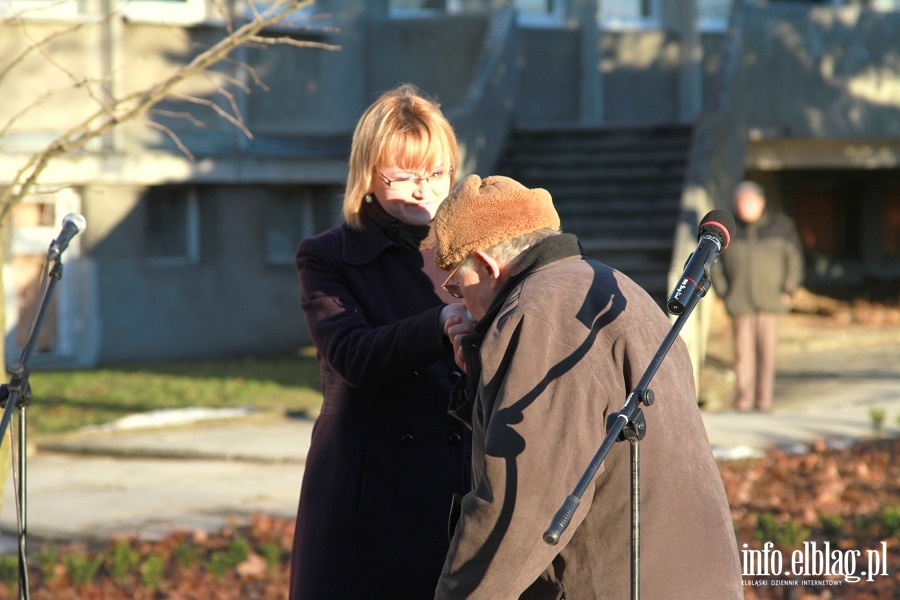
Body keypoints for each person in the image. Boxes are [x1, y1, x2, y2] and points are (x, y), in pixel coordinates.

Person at [432, 174, 743, 599]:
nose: (456, 300)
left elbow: (519, 509)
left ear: (488, 266)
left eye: (455, 283)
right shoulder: (616, 289)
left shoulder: (538, 316)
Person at [289, 84, 473, 599]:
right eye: (404, 176)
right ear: (368, 175)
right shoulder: (328, 255)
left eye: (436, 174)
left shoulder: (474, 250)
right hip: (369, 493)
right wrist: (438, 325)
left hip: (460, 489)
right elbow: (352, 357)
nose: (424, 190)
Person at [711, 180, 805, 412]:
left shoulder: (781, 228)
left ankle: (764, 402)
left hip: (770, 302)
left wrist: (789, 289)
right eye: (741, 201)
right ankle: (744, 401)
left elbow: (795, 261)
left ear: (761, 202)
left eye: (749, 201)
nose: (744, 206)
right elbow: (715, 265)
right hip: (740, 301)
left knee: (767, 354)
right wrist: (724, 292)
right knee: (743, 355)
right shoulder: (730, 230)